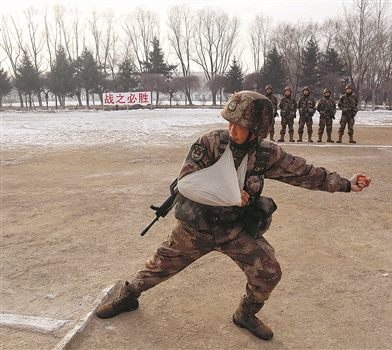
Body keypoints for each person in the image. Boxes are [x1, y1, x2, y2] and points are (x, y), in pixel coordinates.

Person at [95, 90, 370, 341]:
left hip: (235, 231)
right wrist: (229, 194)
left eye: (241, 126)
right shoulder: (210, 143)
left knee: (269, 271)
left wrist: (346, 183)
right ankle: (128, 297)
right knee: (155, 269)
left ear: (257, 130)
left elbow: (304, 172)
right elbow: (187, 182)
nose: (232, 129)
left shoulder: (267, 153)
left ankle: (245, 313)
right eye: (230, 122)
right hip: (195, 229)